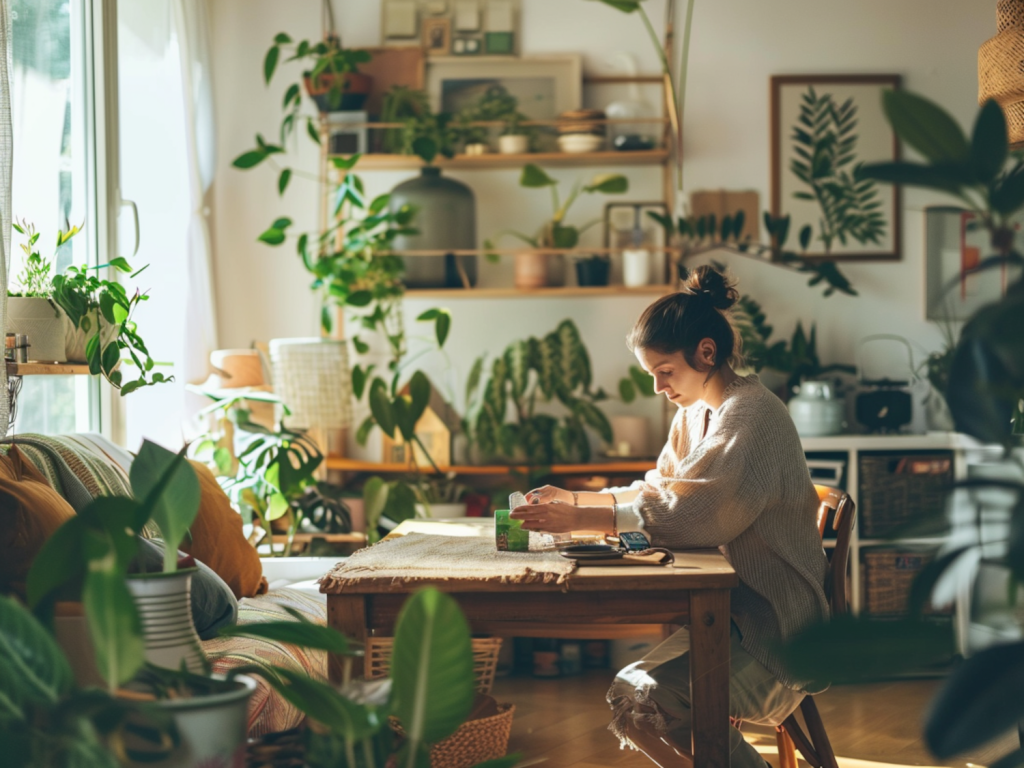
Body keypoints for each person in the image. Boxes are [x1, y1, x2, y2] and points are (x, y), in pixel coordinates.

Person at [510, 265, 830, 768]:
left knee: (652, 701)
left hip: (777, 632)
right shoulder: (695, 412)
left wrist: (578, 517)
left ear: (706, 352)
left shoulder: (752, 414)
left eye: (665, 371)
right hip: (732, 619)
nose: (659, 387)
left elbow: (695, 514)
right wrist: (577, 501)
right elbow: (657, 489)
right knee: (627, 696)